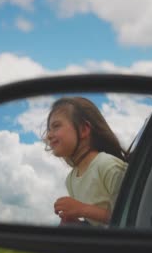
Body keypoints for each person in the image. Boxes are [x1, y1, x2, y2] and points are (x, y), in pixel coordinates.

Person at [44, 97, 128, 227]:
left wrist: (82, 209)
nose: (48, 135)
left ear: (83, 129)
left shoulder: (107, 165)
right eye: (49, 129)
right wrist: (75, 221)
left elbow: (128, 216)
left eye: (56, 126)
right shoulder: (71, 179)